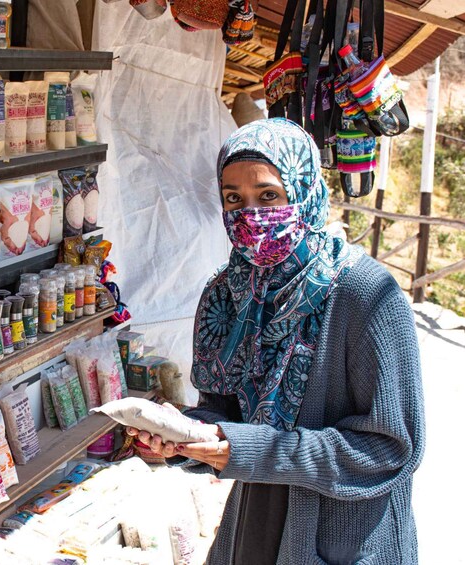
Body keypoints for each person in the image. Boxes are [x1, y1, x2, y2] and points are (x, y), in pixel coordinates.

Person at [130, 118, 425, 564]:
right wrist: (183, 436)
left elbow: (391, 449)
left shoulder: (365, 296)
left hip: (343, 535)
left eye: (268, 195)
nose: (250, 215)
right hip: (254, 521)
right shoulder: (226, 294)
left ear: (304, 190)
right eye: (234, 199)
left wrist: (248, 450)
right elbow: (224, 413)